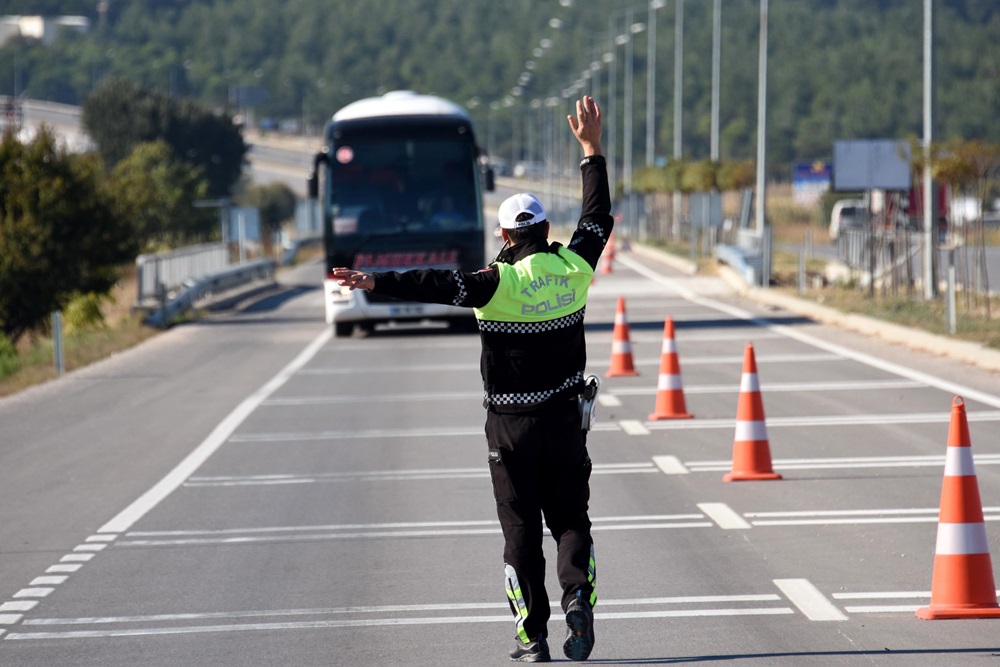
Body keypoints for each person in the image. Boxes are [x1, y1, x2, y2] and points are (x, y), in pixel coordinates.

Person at [331, 95, 613, 663]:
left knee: (519, 534)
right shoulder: (575, 268)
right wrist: (591, 149)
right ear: (546, 230)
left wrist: (373, 281)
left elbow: (434, 283)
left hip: (508, 429)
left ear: (506, 236)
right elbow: (598, 218)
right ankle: (577, 598)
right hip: (564, 420)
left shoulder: (493, 283)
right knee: (570, 520)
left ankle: (532, 639)